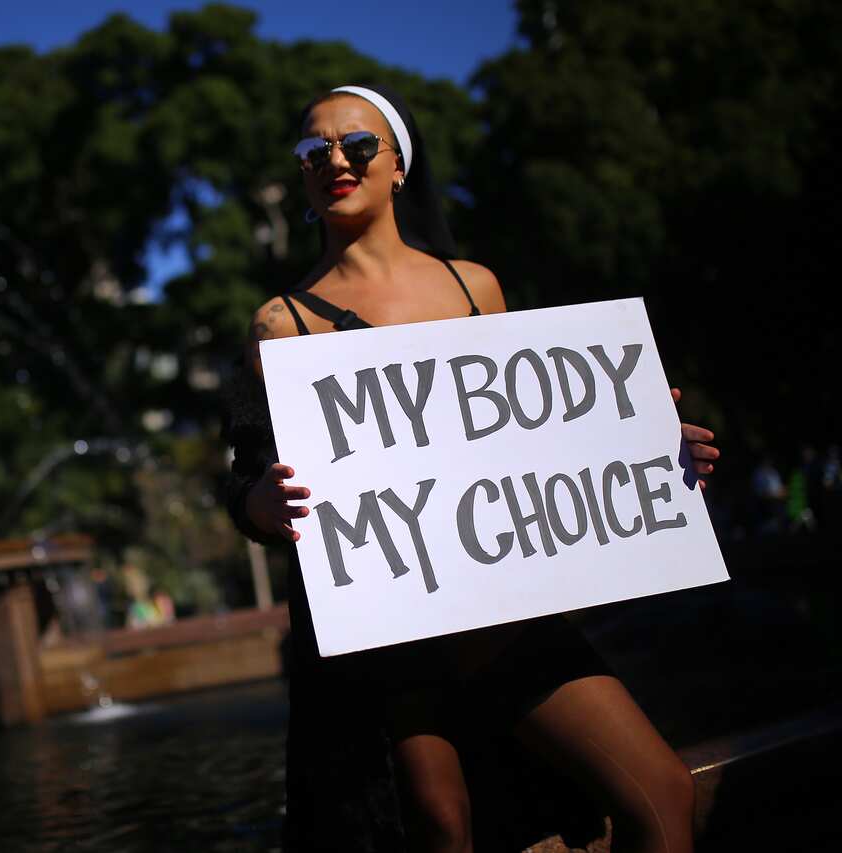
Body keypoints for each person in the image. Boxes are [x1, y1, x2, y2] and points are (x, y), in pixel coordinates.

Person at [225, 84, 721, 852]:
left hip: (506, 617)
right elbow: (251, 483)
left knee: (662, 794)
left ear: (397, 166)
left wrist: (649, 447)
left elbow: (535, 439)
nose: (334, 161)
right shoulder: (281, 323)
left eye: (357, 145)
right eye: (312, 150)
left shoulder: (472, 285)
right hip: (391, 646)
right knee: (440, 825)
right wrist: (261, 502)